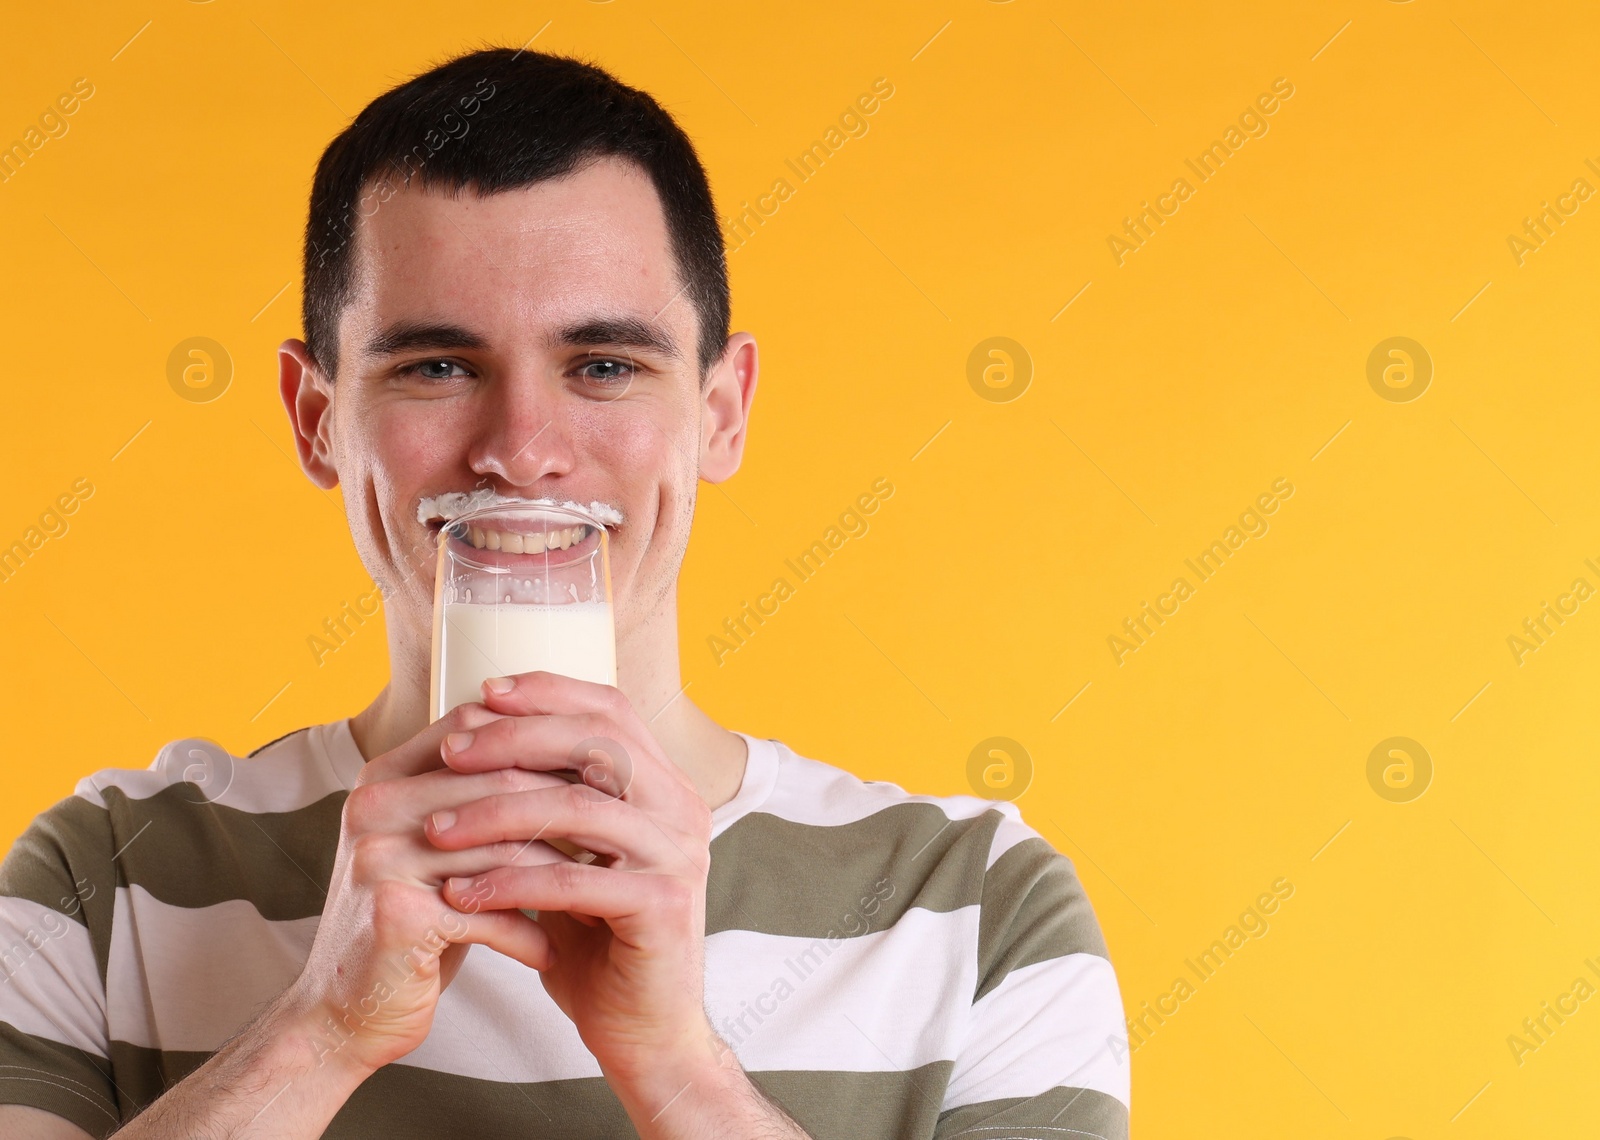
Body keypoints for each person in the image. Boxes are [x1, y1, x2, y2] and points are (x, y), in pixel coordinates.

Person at [0, 47, 1129, 1139]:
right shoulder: (103, 888)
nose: (523, 450)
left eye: (603, 367)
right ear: (317, 419)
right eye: (437, 367)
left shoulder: (978, 910)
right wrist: (320, 1031)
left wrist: (680, 1074)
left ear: (721, 411)